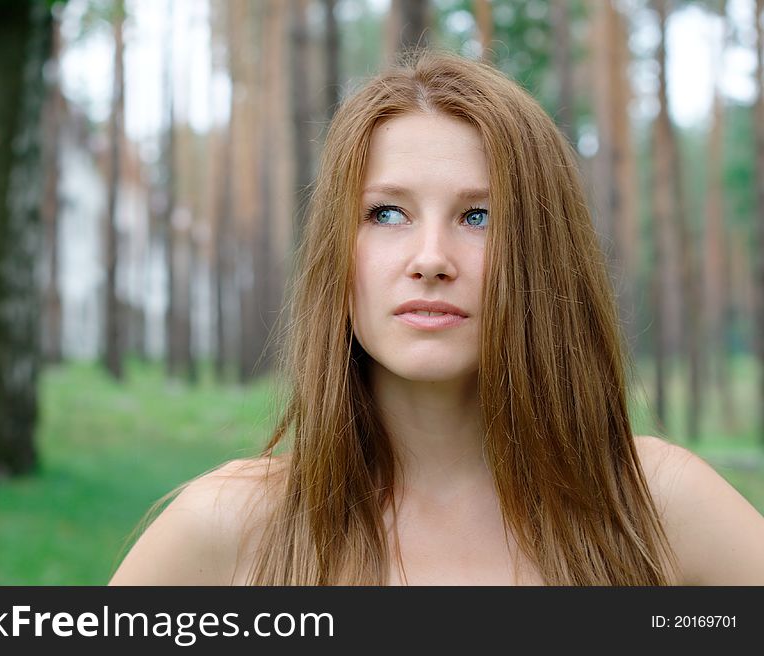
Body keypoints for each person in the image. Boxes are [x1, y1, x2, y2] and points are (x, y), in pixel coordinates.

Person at [109, 51, 764, 586]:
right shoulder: (230, 528)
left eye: (479, 216)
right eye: (387, 214)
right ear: (339, 254)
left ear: (544, 256)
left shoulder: (655, 506)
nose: (430, 260)